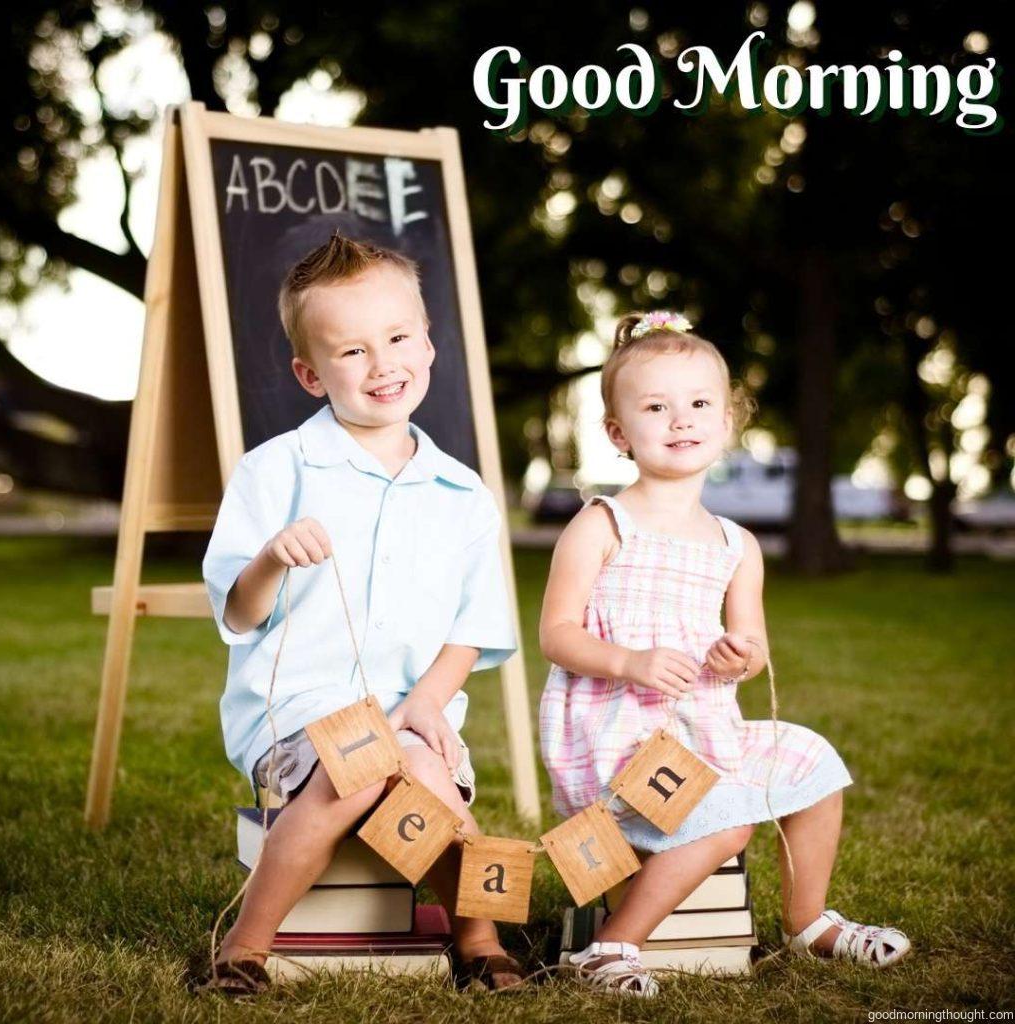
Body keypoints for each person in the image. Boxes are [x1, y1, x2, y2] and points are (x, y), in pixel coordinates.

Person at [538, 310, 911, 997]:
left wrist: (739, 654)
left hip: (707, 730)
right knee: (726, 822)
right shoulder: (601, 525)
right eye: (656, 406)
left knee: (815, 763)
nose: (681, 420)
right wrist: (630, 661)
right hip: (616, 738)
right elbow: (556, 634)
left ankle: (808, 921)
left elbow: (754, 646)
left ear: (728, 419)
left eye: (700, 403)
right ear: (619, 432)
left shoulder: (737, 545)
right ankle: (610, 945)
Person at [199, 234, 525, 995]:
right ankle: (244, 949)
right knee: (362, 767)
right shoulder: (274, 471)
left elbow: (471, 631)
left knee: (416, 769)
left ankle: (479, 943)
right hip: (296, 719)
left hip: (414, 715)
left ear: (430, 345)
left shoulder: (463, 495)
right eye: (352, 352)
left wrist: (424, 706)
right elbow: (241, 615)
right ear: (311, 374)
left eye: (398, 338)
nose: (383, 365)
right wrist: (273, 555)